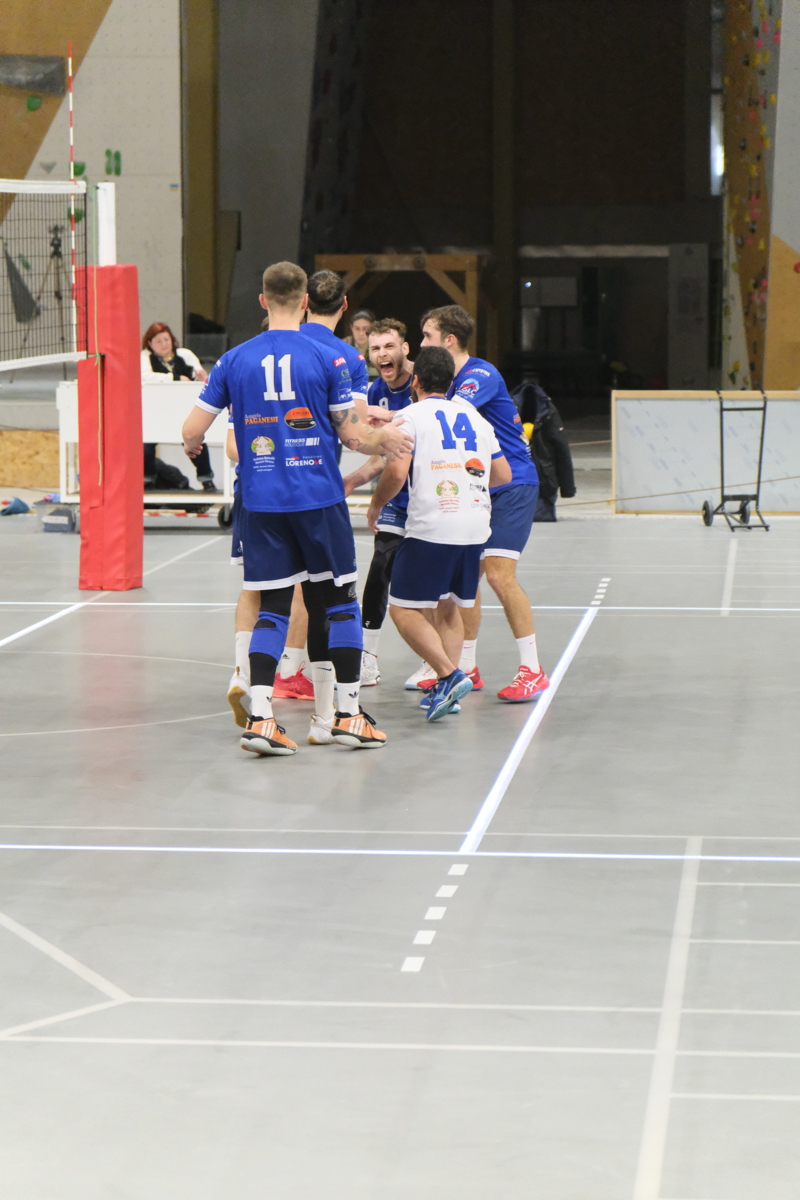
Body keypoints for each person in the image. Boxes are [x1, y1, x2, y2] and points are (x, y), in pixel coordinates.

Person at [182, 261, 412, 756]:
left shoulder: (232, 361)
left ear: (262, 301)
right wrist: (384, 440)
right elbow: (352, 434)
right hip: (318, 499)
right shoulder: (329, 358)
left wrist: (192, 445)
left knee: (273, 608)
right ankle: (347, 714)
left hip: (261, 503)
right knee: (340, 602)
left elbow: (192, 430)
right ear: (306, 302)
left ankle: (262, 720)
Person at [366, 346, 511, 721]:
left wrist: (376, 505)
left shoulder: (410, 416)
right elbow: (502, 475)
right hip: (475, 525)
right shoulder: (477, 419)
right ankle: (450, 693)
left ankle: (449, 674)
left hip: (434, 525)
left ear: (415, 381)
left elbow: (396, 472)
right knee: (447, 606)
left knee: (402, 608)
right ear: (451, 383)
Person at [417, 305, 549, 703]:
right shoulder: (449, 381)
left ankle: (533, 670)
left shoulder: (480, 375)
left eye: (427, 336)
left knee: (499, 575)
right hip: (478, 487)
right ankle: (467, 667)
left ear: (449, 340)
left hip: (513, 483)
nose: (421, 344)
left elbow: (445, 415)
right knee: (462, 583)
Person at [341, 318, 414, 686]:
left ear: (405, 349)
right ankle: (368, 657)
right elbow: (386, 455)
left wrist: (390, 418)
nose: (382, 354)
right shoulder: (373, 391)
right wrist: (353, 479)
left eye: (389, 346)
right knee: (380, 565)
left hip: (434, 496)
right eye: (375, 348)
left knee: (434, 579)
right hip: (398, 496)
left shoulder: (426, 382)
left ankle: (451, 661)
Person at [141, 322, 219, 493]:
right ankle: (148, 480)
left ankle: (206, 479)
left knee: (196, 443)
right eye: (158, 341)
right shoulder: (144, 358)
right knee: (146, 445)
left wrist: (201, 377)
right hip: (155, 413)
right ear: (150, 344)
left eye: (166, 339)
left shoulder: (185, 355)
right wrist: (175, 378)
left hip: (183, 412)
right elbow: (146, 378)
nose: (164, 344)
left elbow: (199, 377)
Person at [344, 308, 378, 378]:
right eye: (357, 328)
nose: (361, 333)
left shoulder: (380, 346)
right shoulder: (343, 346)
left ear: (372, 328)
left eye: (365, 329)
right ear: (351, 327)